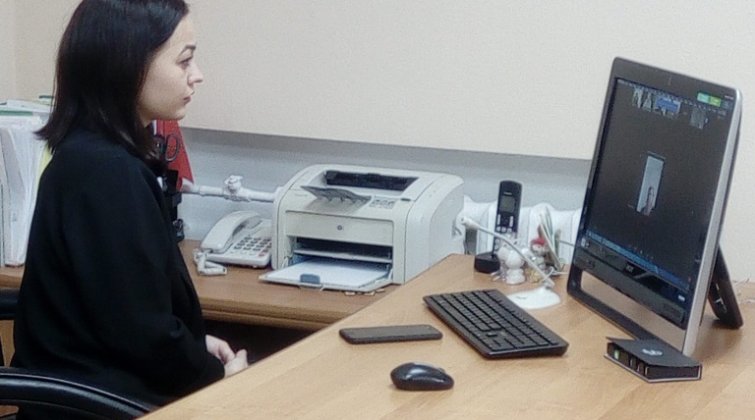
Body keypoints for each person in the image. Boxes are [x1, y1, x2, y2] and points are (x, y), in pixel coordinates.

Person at [11, 0, 248, 416]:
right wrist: (214, 376)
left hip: (99, 385)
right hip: (100, 405)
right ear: (129, 66)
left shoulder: (89, 153)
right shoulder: (108, 173)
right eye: (184, 61)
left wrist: (195, 348)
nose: (197, 75)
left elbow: (127, 315)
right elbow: (143, 334)